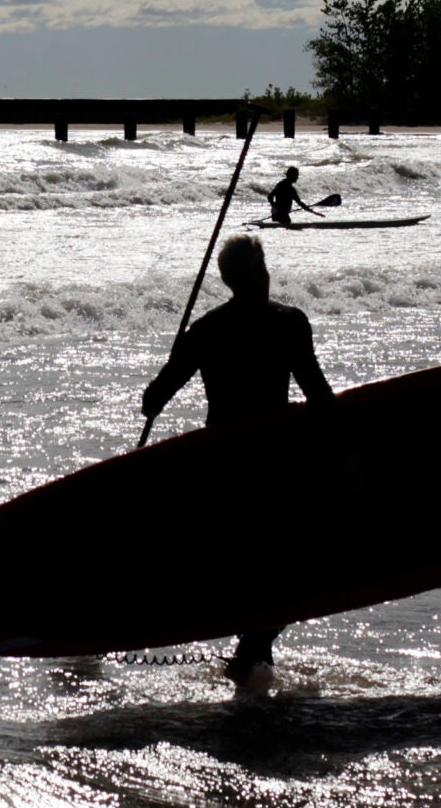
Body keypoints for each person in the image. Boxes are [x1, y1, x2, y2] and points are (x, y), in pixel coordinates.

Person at [139, 233, 335, 683]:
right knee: (288, 569)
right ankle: (251, 658)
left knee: (255, 567)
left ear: (227, 279)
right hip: (275, 465)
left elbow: (155, 398)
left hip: (223, 465)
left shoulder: (206, 330)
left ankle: (252, 658)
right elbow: (319, 396)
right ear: (259, 273)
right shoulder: (288, 322)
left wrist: (165, 379)